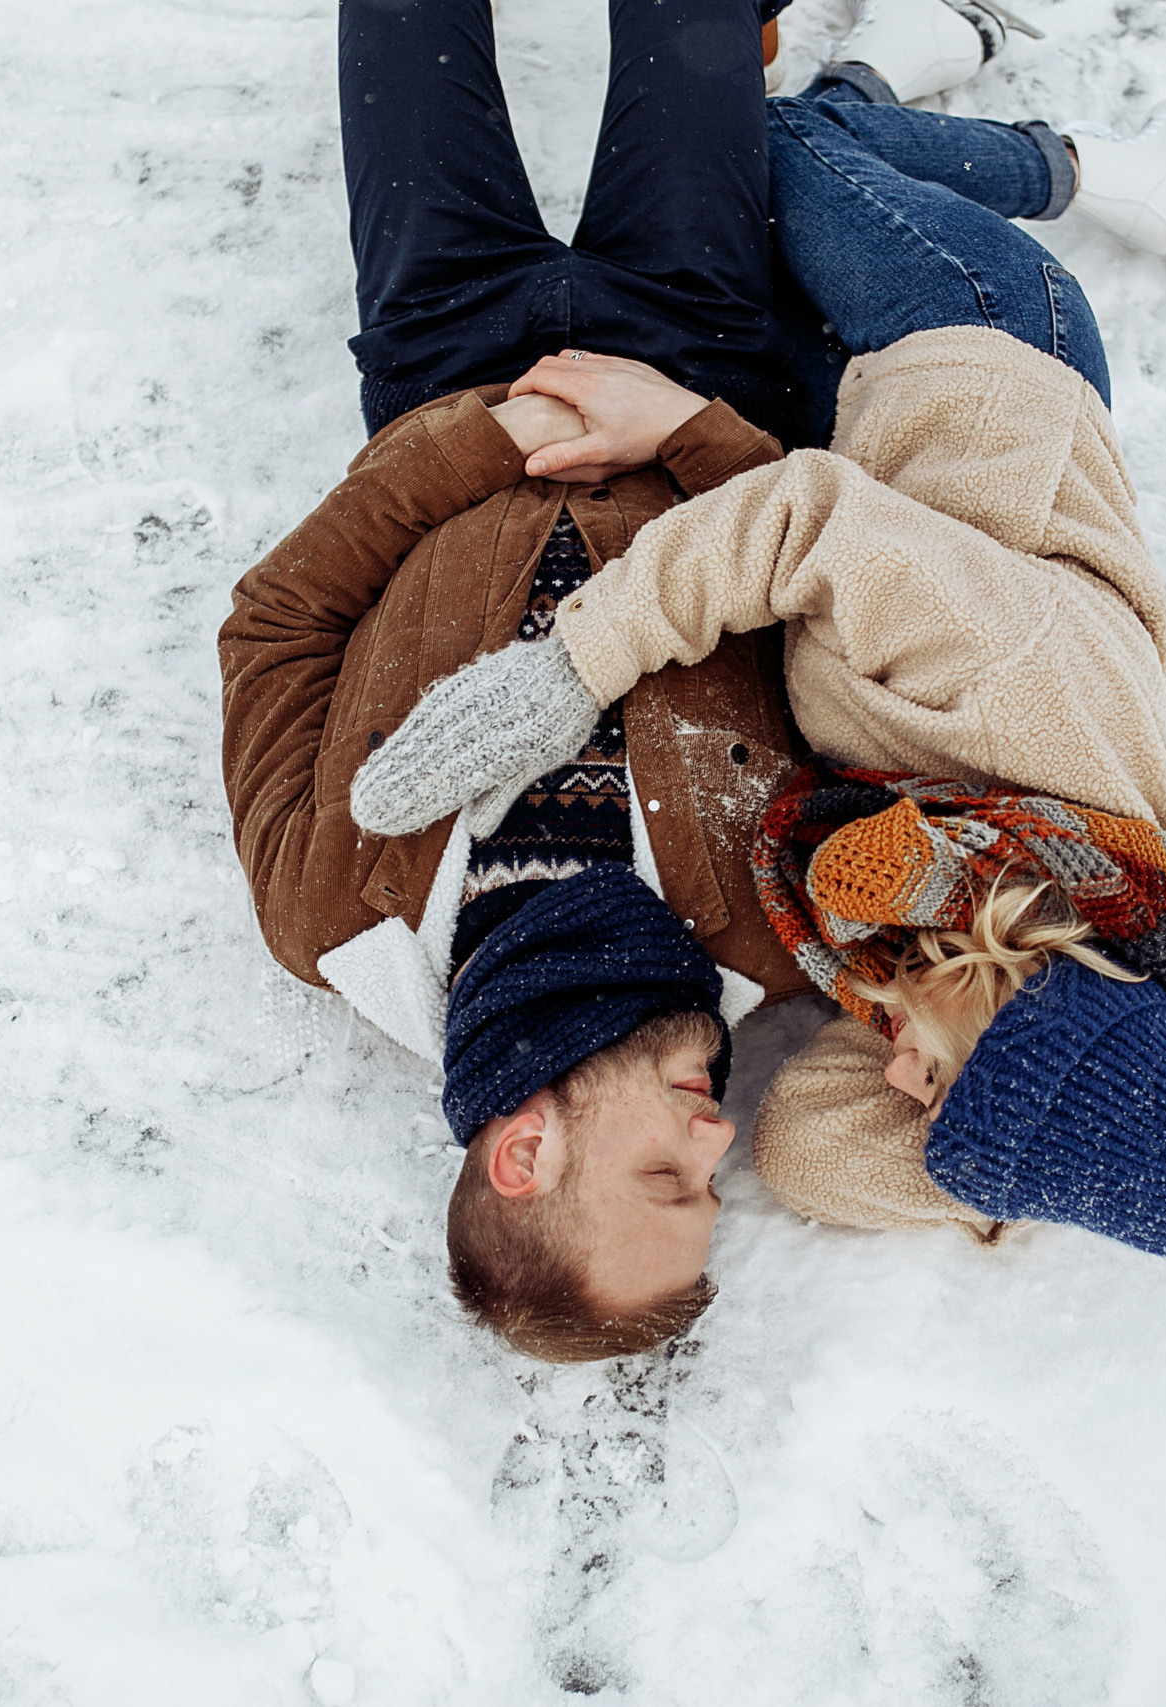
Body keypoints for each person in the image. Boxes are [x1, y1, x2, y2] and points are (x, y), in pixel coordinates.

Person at [351, 12, 1166, 1272]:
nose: (890, 1072)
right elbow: (801, 522)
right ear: (1023, 995)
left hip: (824, 438)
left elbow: (808, 1148)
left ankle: (895, 62)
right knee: (782, 140)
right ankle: (1108, 169)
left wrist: (1069, 1120)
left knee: (721, 183)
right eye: (937, 1077)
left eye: (925, 1107)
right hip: (971, 352)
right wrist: (567, 668)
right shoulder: (1010, 694)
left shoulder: (963, 911)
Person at [219, 0, 824, 1365]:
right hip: (694, 346)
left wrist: (488, 441)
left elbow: (278, 626)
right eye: (711, 1183)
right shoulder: (778, 922)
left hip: (445, 357)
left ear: (523, 1147)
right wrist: (679, 424)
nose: (719, 1139)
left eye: (665, 1175)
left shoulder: (330, 908)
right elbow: (830, 593)